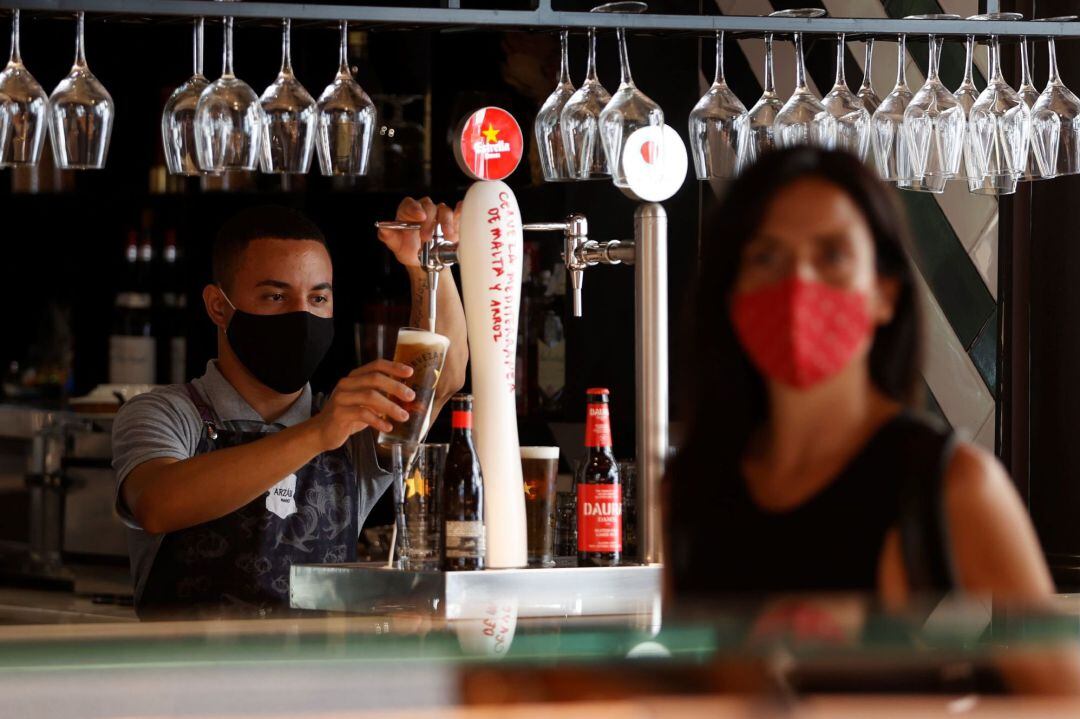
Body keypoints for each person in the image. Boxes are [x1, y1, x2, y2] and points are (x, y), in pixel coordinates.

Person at [666, 148, 1053, 605]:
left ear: (885, 293)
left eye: (832, 255)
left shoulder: (954, 489)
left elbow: (1061, 678)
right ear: (731, 294)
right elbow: (692, 673)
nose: (798, 284)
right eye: (767, 257)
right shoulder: (691, 490)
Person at [112, 199, 466, 618]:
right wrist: (318, 433)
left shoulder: (352, 427)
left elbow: (440, 379)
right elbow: (158, 503)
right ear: (218, 307)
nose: (301, 315)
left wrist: (428, 265)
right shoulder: (168, 413)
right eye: (276, 295)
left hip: (316, 681)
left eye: (318, 299)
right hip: (190, 680)